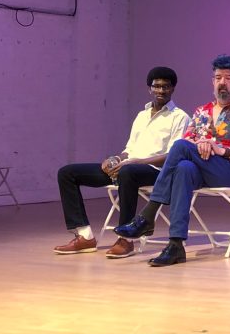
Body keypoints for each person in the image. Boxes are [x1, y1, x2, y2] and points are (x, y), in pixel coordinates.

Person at [115, 54, 230, 266]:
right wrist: (199, 146)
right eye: (218, 77)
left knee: (180, 147)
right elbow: (187, 145)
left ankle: (148, 214)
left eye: (228, 78)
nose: (222, 82)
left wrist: (221, 150)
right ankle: (176, 245)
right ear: (212, 81)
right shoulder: (201, 112)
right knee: (184, 167)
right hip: (203, 171)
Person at [54, 66, 189, 259]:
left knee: (128, 173)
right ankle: (84, 236)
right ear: (149, 89)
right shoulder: (141, 115)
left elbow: (173, 156)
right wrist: (116, 159)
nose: (160, 90)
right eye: (156, 86)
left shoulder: (180, 117)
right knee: (67, 173)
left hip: (155, 171)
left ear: (173, 89)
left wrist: (134, 163)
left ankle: (126, 239)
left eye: (165, 87)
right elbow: (129, 149)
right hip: (129, 167)